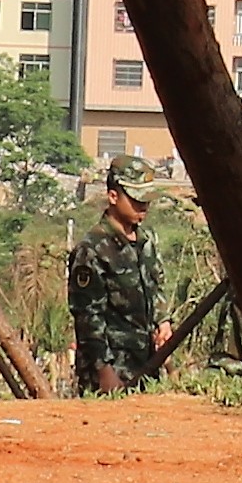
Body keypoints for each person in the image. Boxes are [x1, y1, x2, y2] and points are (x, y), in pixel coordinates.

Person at [67, 166, 169, 394]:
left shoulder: (146, 240)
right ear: (113, 197)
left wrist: (163, 323)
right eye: (135, 200)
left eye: (146, 200)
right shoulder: (92, 250)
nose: (143, 206)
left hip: (147, 366)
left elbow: (157, 287)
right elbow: (88, 316)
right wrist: (104, 371)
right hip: (111, 370)